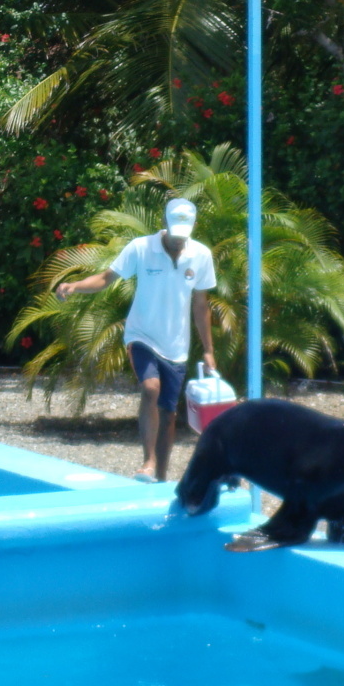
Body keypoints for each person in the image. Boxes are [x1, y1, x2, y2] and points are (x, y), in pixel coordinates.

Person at [55, 197, 218, 482]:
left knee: (169, 414)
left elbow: (201, 305)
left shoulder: (201, 255)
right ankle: (148, 462)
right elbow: (106, 278)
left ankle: (163, 479)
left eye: (185, 236)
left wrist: (208, 350)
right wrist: (75, 286)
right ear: (164, 223)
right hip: (141, 335)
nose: (179, 242)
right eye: (175, 234)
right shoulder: (141, 249)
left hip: (176, 346)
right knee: (150, 389)